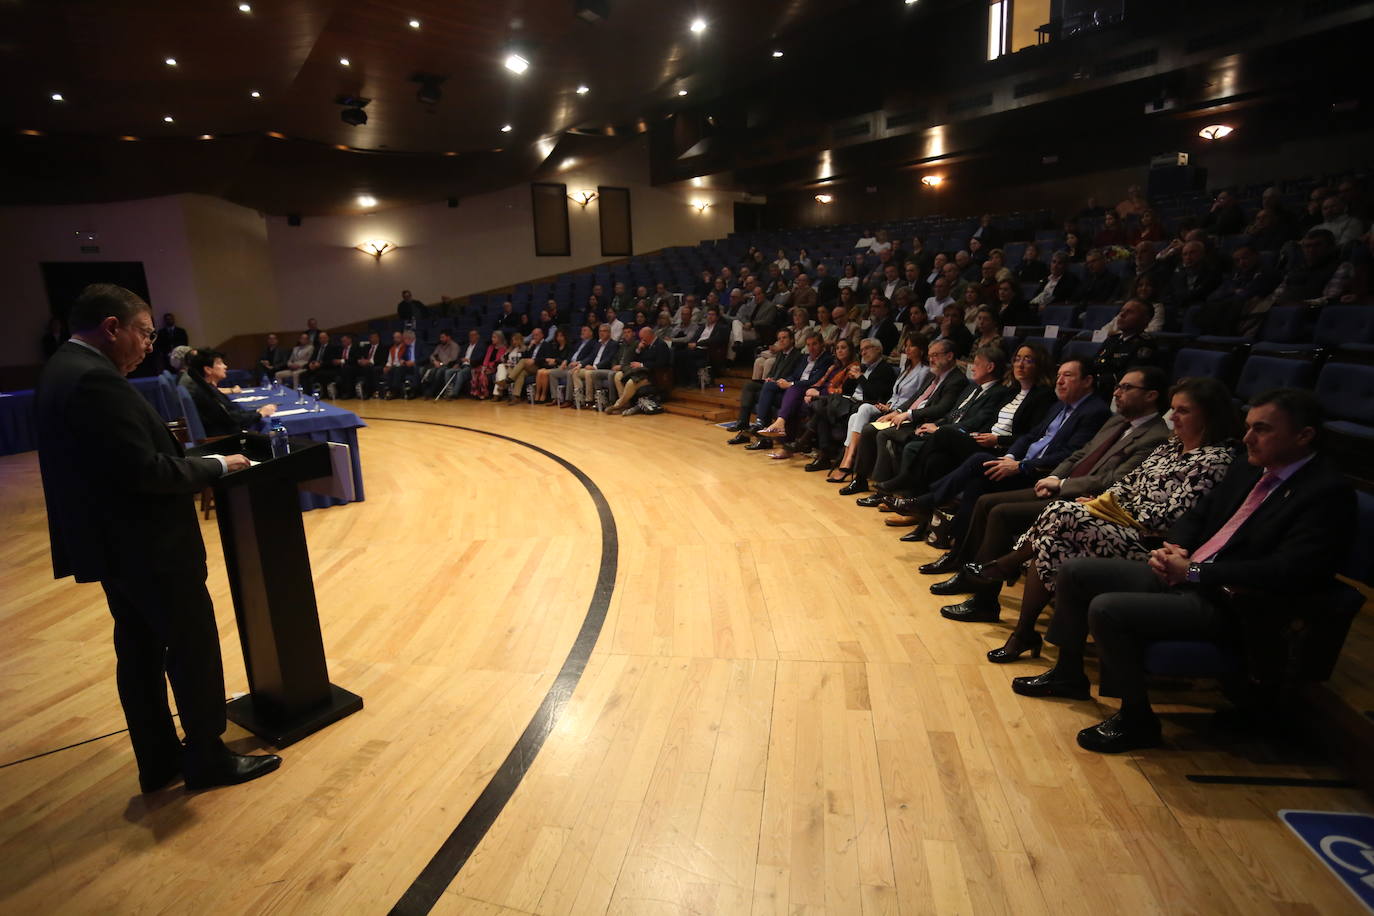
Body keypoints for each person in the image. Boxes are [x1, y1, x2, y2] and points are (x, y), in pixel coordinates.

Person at [34, 283, 281, 792]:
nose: (150, 344)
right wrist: (216, 463)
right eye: (144, 333)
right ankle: (208, 757)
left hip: (111, 545)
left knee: (140, 652)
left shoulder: (62, 370)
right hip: (148, 546)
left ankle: (159, 757)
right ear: (112, 327)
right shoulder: (94, 382)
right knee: (190, 647)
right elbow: (144, 472)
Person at [1014, 389, 1354, 753]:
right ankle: (1068, 675)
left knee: (1108, 608)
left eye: (1262, 429)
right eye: (1248, 427)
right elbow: (1197, 516)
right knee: (1077, 572)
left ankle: (1137, 719)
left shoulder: (1326, 492)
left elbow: (1289, 570)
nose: (1247, 438)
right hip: (1189, 573)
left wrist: (1193, 572)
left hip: (1233, 601)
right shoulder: (1249, 467)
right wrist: (1176, 546)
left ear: (1304, 436)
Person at [967, 377, 1239, 672]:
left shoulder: (1215, 460)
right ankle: (1023, 633)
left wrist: (1106, 512)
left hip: (1149, 543)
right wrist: (1099, 505)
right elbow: (1126, 484)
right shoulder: (1170, 447)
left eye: (1183, 411)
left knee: (1062, 514)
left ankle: (1011, 570)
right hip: (1116, 527)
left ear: (1209, 414)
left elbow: (1171, 516)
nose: (1173, 417)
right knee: (1053, 542)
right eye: (1173, 409)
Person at [921, 366, 1171, 615]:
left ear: (1151, 395)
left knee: (1001, 512)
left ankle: (984, 600)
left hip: (1083, 500)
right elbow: (1080, 454)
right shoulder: (1117, 420)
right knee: (985, 499)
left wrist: (1061, 484)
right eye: (1118, 386)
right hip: (1059, 484)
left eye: (1127, 388)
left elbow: (1113, 479)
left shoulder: (1156, 436)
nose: (1117, 392)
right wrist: (1055, 476)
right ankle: (967, 570)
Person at [891, 357, 1110, 545]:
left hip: (1038, 474)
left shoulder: (1094, 411)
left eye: (1068, 376)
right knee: (951, 465)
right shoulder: (1059, 406)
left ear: (1088, 380)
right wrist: (1010, 456)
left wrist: (1020, 465)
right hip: (1014, 461)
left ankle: (924, 499)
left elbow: (1070, 454)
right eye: (1059, 375)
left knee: (962, 448)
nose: (1060, 381)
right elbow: (1030, 437)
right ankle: (953, 542)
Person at [186, 349, 279, 437]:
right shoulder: (206, 394)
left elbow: (230, 414)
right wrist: (260, 414)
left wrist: (256, 411)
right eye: (219, 363)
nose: (225, 366)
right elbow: (233, 420)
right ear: (208, 369)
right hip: (226, 441)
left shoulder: (207, 388)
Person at [606, 327, 670, 414]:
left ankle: (618, 405)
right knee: (618, 376)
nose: (641, 340)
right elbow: (633, 359)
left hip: (652, 375)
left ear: (649, 335)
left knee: (630, 383)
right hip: (639, 372)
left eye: (643, 337)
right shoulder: (645, 345)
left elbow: (661, 364)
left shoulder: (661, 345)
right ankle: (625, 404)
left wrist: (642, 365)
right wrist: (638, 350)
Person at [546, 326, 597, 407]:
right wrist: (566, 361)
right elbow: (571, 355)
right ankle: (556, 398)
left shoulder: (594, 343)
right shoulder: (578, 343)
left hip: (579, 366)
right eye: (581, 330)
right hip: (570, 365)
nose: (582, 332)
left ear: (591, 333)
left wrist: (579, 363)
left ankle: (568, 399)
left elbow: (591, 357)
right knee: (552, 373)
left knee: (570, 373)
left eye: (584, 330)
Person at [420, 331, 460, 399]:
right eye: (440, 337)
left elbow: (453, 359)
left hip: (448, 366)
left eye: (443, 337)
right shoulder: (439, 346)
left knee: (439, 372)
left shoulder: (454, 346)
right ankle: (426, 391)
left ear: (448, 337)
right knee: (426, 370)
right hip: (437, 365)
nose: (441, 339)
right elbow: (432, 356)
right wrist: (435, 361)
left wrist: (441, 363)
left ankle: (431, 392)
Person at [470, 330, 507, 400]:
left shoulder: (503, 348)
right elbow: (486, 358)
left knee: (482, 376)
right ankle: (476, 392)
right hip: (487, 366)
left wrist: (489, 368)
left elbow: (498, 361)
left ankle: (484, 393)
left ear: (499, 338)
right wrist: (484, 367)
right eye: (492, 337)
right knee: (476, 371)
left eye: (494, 337)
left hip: (495, 367)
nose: (492, 339)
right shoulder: (490, 347)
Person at [348, 331, 386, 399]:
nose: (372, 339)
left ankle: (369, 392)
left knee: (369, 368)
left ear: (378, 338)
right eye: (371, 337)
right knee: (350, 369)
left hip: (376, 365)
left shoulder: (383, 347)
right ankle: (350, 392)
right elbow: (361, 356)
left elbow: (382, 359)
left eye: (374, 337)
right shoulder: (366, 347)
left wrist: (370, 361)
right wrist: (360, 361)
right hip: (365, 366)